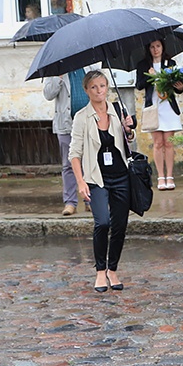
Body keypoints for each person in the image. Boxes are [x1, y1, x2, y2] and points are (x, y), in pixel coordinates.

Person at [68, 70, 135, 292]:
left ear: (107, 87)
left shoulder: (116, 110)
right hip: (96, 177)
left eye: (103, 86)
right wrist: (80, 182)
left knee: (119, 225)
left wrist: (128, 129)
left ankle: (112, 270)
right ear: (86, 90)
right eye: (94, 87)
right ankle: (99, 271)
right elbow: (74, 154)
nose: (99, 91)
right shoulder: (81, 117)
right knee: (102, 222)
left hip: (121, 175)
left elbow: (127, 141)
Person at [135, 39, 183, 191]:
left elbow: (177, 87)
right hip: (153, 107)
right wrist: (150, 76)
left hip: (168, 106)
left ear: (163, 47)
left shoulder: (170, 63)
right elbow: (139, 85)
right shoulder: (143, 65)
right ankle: (160, 177)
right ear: (148, 49)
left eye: (158, 46)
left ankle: (170, 176)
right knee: (158, 143)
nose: (155, 49)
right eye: (152, 47)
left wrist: (181, 88)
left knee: (168, 143)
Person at [43, 67, 92, 216]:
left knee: (91, 162)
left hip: (90, 123)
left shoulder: (90, 66)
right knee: (68, 164)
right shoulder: (54, 69)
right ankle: (70, 202)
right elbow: (48, 94)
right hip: (66, 125)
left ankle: (91, 200)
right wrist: (58, 76)